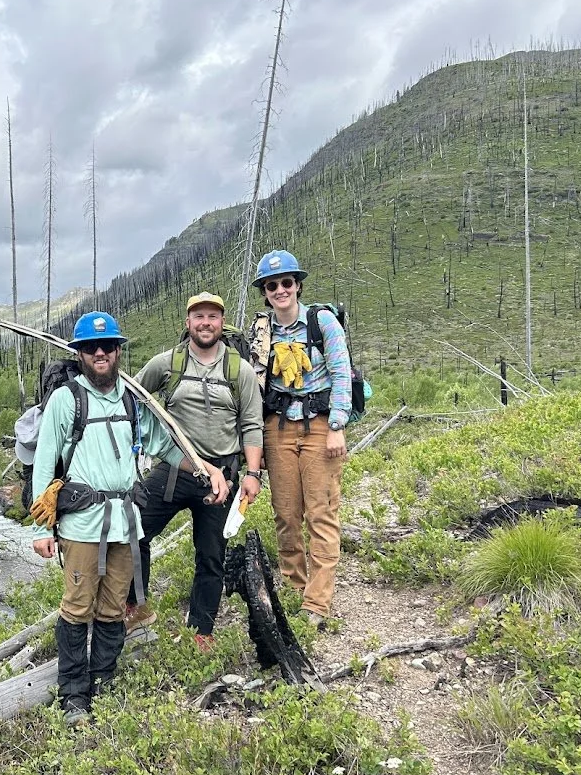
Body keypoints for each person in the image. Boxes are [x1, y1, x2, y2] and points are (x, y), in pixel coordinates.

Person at [30, 311, 229, 724]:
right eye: (90, 348)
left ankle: (102, 681)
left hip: (126, 520)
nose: (99, 353)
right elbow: (45, 461)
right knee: (77, 608)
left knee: (112, 608)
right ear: (80, 354)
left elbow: (166, 447)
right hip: (82, 524)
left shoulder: (132, 400)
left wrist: (204, 468)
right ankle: (73, 696)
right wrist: (41, 528)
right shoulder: (67, 400)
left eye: (107, 346)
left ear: (119, 350)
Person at [125, 292, 265, 649]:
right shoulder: (167, 363)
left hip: (223, 477)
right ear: (187, 323)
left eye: (213, 316)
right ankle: (135, 605)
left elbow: (251, 424)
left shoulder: (240, 371)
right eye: (198, 316)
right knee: (131, 529)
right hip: (174, 470)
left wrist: (252, 474)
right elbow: (134, 396)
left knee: (211, 555)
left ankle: (202, 630)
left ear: (222, 322)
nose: (205, 322)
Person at [249, 251, 351, 630]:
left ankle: (318, 602)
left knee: (321, 514)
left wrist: (337, 425)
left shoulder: (322, 322)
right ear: (265, 292)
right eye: (272, 285)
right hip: (277, 429)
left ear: (298, 286)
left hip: (320, 426)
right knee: (286, 515)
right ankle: (295, 588)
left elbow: (341, 372)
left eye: (286, 283)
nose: (280, 290)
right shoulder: (262, 332)